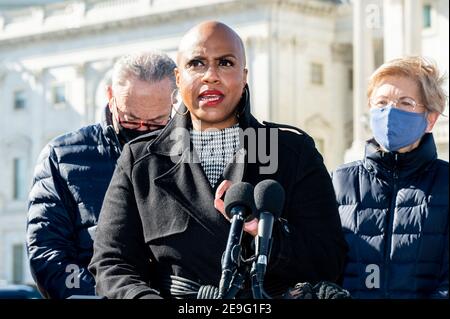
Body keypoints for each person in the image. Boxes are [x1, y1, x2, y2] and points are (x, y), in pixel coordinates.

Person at [89, 21, 348, 299]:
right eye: (197, 63)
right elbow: (111, 264)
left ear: (244, 75)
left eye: (225, 63)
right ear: (178, 78)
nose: (210, 75)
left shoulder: (294, 152)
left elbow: (329, 259)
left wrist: (268, 237)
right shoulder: (140, 160)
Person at [26, 51, 176, 299]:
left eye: (156, 123)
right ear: (110, 97)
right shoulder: (61, 156)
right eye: (130, 119)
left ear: (174, 103)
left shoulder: (191, 153)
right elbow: (48, 253)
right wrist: (109, 296)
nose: (141, 131)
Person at [331, 56, 448, 299]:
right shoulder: (338, 181)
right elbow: (316, 262)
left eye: (405, 102)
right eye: (381, 103)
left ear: (430, 119)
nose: (389, 112)